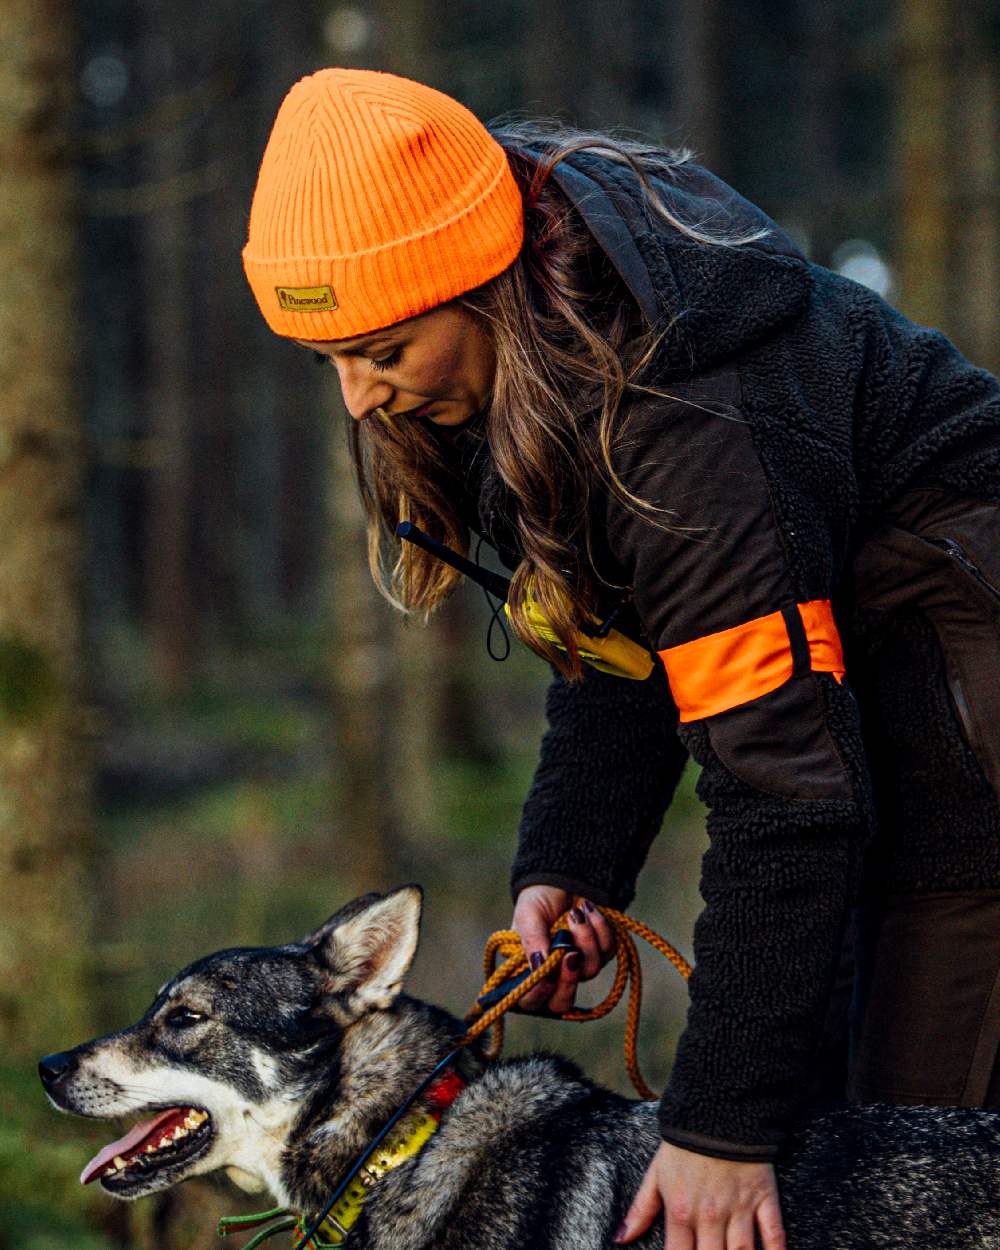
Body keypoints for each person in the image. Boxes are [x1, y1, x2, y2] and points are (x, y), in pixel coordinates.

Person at [241, 68, 1000, 1249]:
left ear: (475, 287)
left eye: (381, 348)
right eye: (325, 358)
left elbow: (785, 791)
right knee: (805, 1123)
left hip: (966, 719)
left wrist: (719, 1129)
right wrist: (571, 863)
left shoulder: (685, 419)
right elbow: (618, 655)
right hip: (859, 695)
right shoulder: (526, 369)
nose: (357, 401)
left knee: (894, 1166)